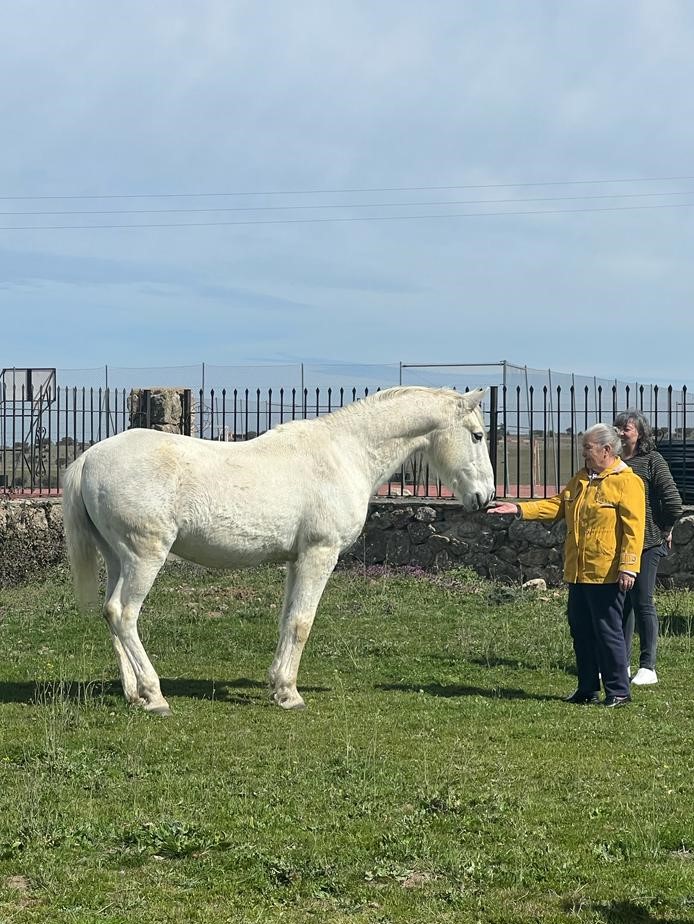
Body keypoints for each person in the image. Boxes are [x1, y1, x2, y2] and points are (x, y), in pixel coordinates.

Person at [489, 423, 645, 708]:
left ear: (606, 450)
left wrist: (628, 566)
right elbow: (557, 505)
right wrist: (519, 508)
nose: (583, 453)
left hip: (606, 572)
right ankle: (587, 688)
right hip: (578, 571)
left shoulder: (627, 482)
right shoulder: (581, 479)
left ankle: (618, 691)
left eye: (588, 448)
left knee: (608, 631)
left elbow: (634, 529)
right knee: (580, 629)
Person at [613, 409, 683, 686]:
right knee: (622, 604)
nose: (620, 433)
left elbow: (673, 501)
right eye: (617, 428)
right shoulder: (613, 462)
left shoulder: (653, 460)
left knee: (642, 600)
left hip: (648, 542)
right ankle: (621, 662)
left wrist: (664, 528)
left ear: (640, 433)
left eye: (626, 429)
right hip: (619, 542)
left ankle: (648, 666)